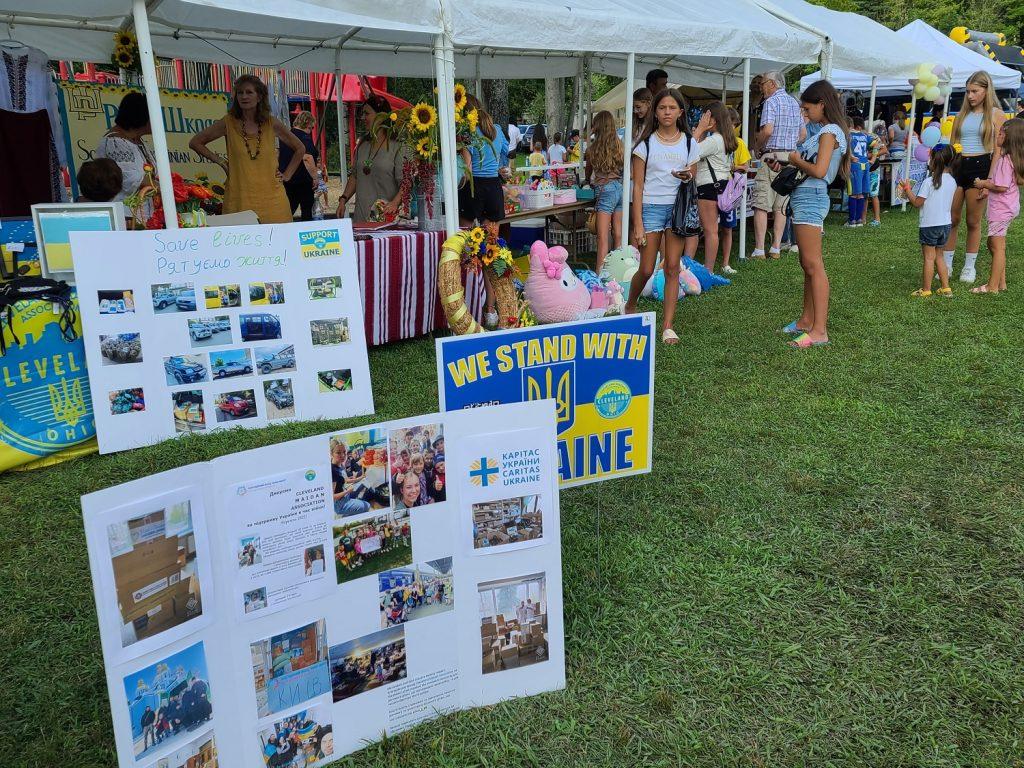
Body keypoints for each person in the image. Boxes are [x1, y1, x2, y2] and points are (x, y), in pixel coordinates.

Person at [768, 79, 849, 348]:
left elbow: (820, 171)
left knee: (813, 265)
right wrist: (786, 163)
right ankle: (806, 320)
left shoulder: (829, 132)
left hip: (812, 198)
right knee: (807, 264)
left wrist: (793, 159)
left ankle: (819, 331)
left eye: (807, 108)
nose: (805, 113)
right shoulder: (822, 132)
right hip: (805, 197)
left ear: (821, 104)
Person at [624, 88, 700, 345]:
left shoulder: (690, 142)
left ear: (680, 112)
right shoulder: (645, 144)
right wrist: (638, 224)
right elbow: (637, 186)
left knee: (671, 267)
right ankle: (630, 305)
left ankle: (667, 326)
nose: (667, 112)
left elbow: (693, 174)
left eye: (671, 108)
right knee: (646, 268)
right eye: (662, 108)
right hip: (651, 209)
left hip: (677, 210)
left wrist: (686, 176)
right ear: (654, 113)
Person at [189, 75, 304, 224]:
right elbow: (195, 142)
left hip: (274, 203)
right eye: (240, 92)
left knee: (278, 244)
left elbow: (300, 148)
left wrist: (287, 175)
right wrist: (222, 162)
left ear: (259, 96)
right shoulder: (228, 122)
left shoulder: (272, 123)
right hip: (239, 200)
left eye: (249, 92)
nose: (244, 96)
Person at [944, 71, 1007, 283]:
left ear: (986, 90)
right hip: (958, 166)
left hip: (981, 167)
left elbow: (998, 151)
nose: (970, 96)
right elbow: (952, 147)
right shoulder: (961, 115)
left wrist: (989, 181)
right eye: (968, 91)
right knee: (951, 218)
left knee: (973, 221)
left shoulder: (996, 114)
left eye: (975, 91)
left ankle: (969, 267)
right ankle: (947, 264)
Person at [459, 94, 509, 327]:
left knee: (463, 245)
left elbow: (467, 166)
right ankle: (491, 309)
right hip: (494, 189)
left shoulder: (467, 131)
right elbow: (503, 161)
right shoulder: (496, 128)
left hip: (474, 187)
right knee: (491, 251)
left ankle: (464, 302)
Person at [333, 95, 407, 222]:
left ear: (381, 116)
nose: (363, 118)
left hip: (386, 219)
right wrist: (343, 199)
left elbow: (406, 183)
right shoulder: (363, 144)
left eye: (367, 114)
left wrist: (395, 203)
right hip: (361, 218)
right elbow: (355, 176)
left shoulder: (398, 146)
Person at [752, 71, 802, 259]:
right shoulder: (795, 103)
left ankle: (758, 249)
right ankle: (775, 248)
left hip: (771, 156)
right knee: (781, 205)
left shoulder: (771, 102)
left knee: (761, 204)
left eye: (763, 83)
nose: (761, 87)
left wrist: (758, 145)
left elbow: (768, 130)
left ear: (772, 84)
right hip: (789, 157)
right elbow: (803, 134)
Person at [899, 145, 958, 297]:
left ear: (933, 160)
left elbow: (917, 203)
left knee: (929, 258)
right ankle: (946, 288)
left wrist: (907, 190)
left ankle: (926, 289)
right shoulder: (952, 181)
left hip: (929, 225)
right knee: (939, 256)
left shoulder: (929, 182)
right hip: (945, 225)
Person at [971, 118, 1023, 294]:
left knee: (997, 246)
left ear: (1009, 138)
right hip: (1007, 207)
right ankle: (1001, 282)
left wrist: (983, 183)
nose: (997, 135)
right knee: (993, 243)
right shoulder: (1010, 159)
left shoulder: (1004, 160)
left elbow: (1001, 186)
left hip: (1001, 209)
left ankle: (992, 286)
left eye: (1001, 133)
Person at [692, 101, 738, 274]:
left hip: (709, 187)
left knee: (710, 230)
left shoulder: (714, 140)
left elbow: (690, 150)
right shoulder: (726, 139)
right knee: (715, 230)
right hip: (723, 185)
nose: (703, 119)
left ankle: (708, 270)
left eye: (706, 116)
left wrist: (700, 129)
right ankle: (710, 268)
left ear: (713, 119)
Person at [96, 92, 155, 212]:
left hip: (142, 214)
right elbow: (132, 180)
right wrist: (170, 189)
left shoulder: (137, 141)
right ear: (141, 118)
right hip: (126, 216)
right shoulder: (115, 143)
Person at [585, 110, 624, 273]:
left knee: (602, 238)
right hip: (619, 188)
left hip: (604, 190)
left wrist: (588, 181)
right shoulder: (620, 146)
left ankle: (600, 275)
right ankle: (618, 270)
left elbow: (588, 172)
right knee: (618, 234)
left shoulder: (593, 149)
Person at [279, 110, 320, 221]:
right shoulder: (304, 137)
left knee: (288, 210)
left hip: (286, 180)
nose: (310, 131)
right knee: (307, 212)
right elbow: (307, 157)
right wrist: (315, 177)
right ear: (307, 123)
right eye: (311, 128)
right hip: (302, 181)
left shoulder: (286, 136)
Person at [331, 440, 371, 518]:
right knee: (368, 506)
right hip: (340, 504)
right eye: (338, 452)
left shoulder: (340, 464)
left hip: (346, 494)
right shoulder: (332, 471)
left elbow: (345, 480)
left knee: (364, 483)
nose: (343, 455)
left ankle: (355, 502)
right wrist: (347, 491)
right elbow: (332, 497)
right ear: (331, 453)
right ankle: (345, 516)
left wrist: (360, 478)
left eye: (344, 452)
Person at [845, 116, 873, 228]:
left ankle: (852, 221)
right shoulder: (864, 135)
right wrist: (873, 159)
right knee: (861, 194)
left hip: (854, 166)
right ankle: (860, 220)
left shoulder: (848, 136)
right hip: (865, 165)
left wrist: (851, 156)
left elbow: (844, 149)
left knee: (852, 193)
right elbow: (876, 144)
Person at [860, 121, 889, 227]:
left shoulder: (872, 137)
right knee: (864, 194)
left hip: (873, 169)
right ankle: (863, 219)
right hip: (862, 169)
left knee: (873, 194)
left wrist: (868, 155)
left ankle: (877, 219)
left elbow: (884, 149)